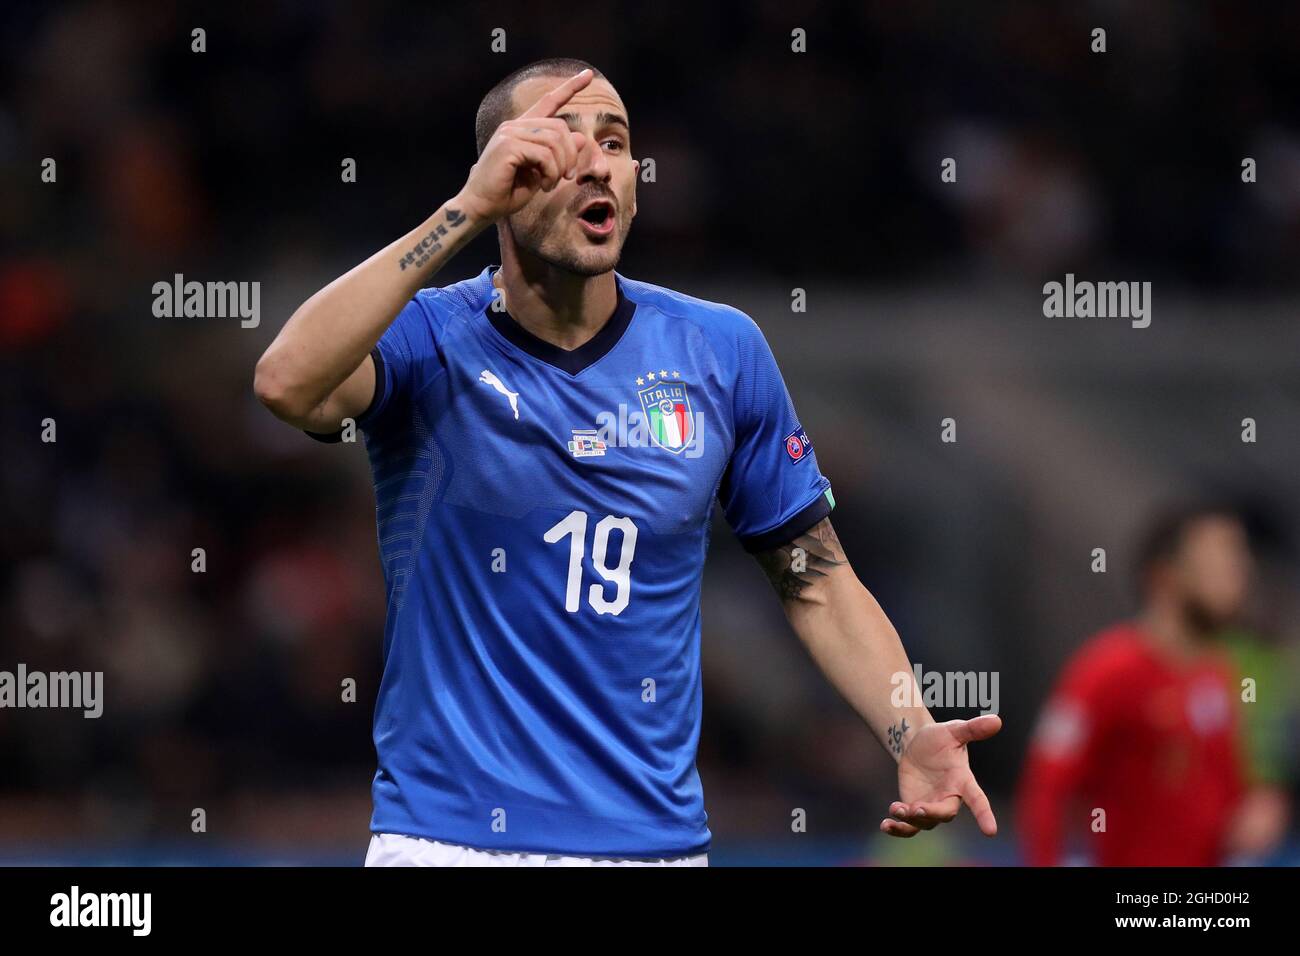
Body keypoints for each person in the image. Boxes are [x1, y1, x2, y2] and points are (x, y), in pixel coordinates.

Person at [255, 58, 1000, 866]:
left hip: (657, 848)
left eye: (614, 141)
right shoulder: (428, 338)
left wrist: (912, 727)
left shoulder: (719, 350)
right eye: (557, 142)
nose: (594, 161)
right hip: (450, 841)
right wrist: (464, 211)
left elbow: (817, 580)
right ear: (505, 172)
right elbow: (287, 383)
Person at [1018, 505, 1252, 865]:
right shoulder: (1104, 670)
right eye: (1218, 561)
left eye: (1238, 560)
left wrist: (1255, 812)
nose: (1237, 575)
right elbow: (1046, 791)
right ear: (1165, 575)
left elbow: (1226, 790)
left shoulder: (1218, 674)